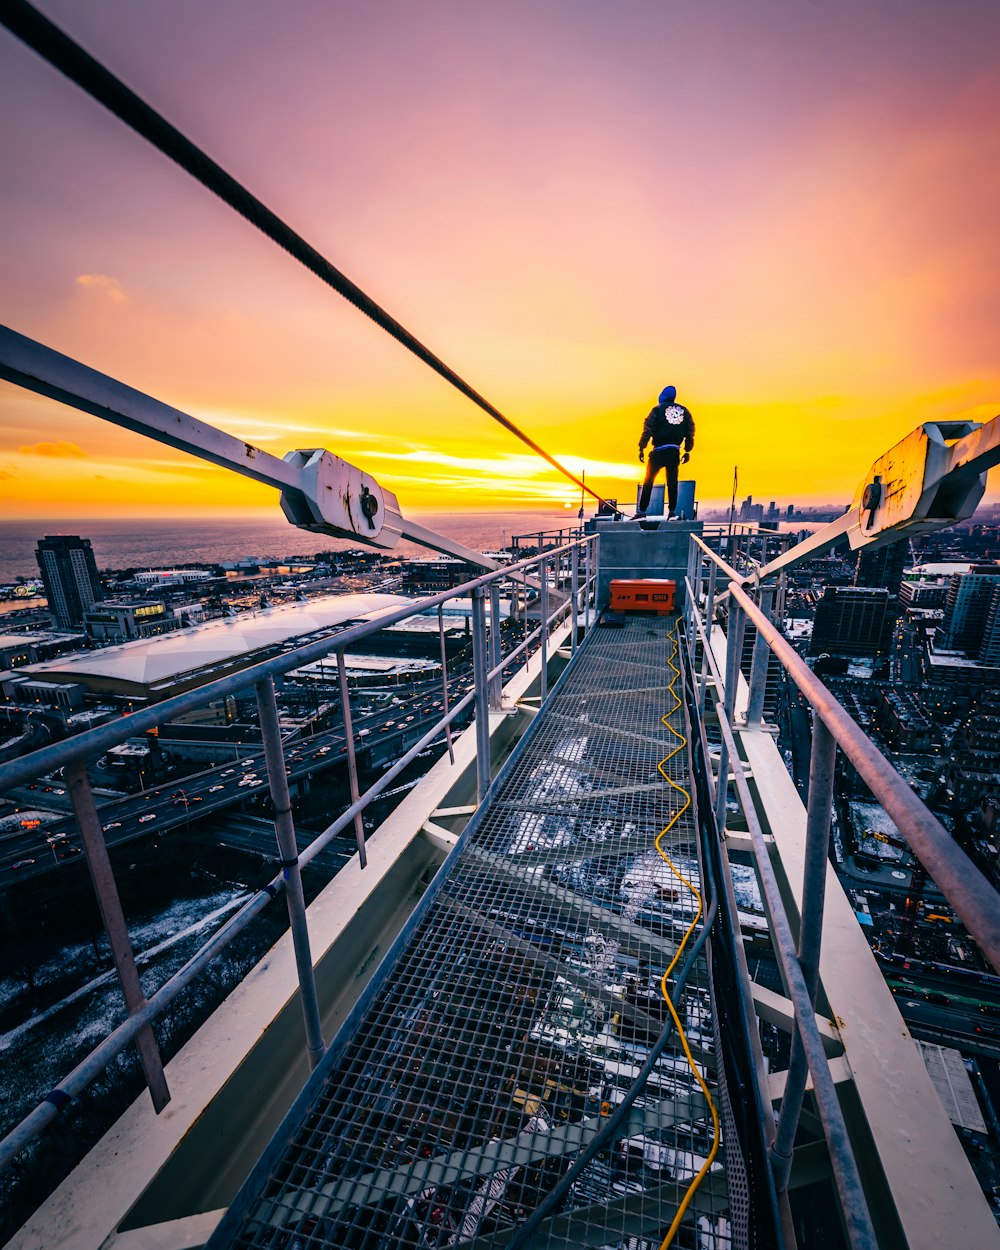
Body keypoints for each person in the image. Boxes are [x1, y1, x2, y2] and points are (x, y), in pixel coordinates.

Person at [636, 384, 695, 518]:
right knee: (672, 482)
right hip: (674, 451)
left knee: (649, 480)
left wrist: (641, 447)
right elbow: (690, 432)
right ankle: (672, 511)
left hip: (658, 451)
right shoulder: (685, 411)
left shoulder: (657, 410)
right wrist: (687, 451)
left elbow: (648, 429)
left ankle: (642, 511)